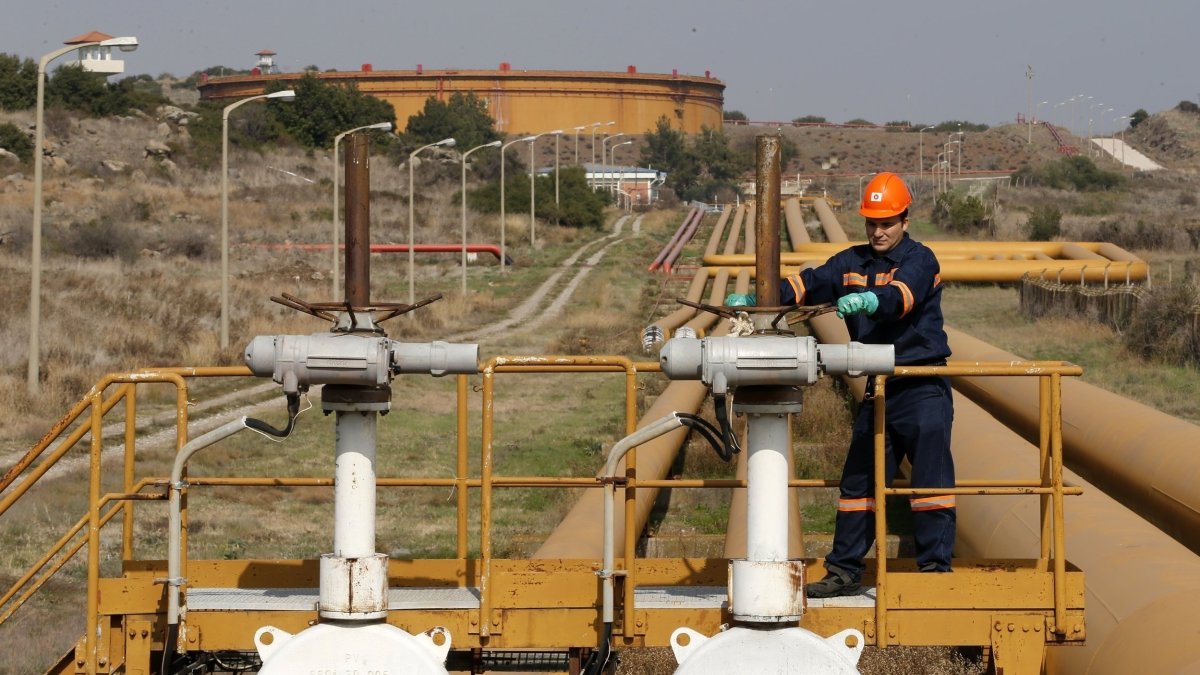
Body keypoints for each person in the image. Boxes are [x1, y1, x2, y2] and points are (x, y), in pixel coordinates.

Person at [727, 171, 955, 598]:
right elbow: (807, 284)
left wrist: (872, 300)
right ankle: (845, 571)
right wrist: (761, 297)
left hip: (921, 384)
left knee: (929, 485)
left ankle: (934, 574)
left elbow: (901, 298)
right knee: (858, 485)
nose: (878, 231)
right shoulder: (851, 262)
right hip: (879, 388)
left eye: (886, 222)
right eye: (872, 222)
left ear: (905, 220)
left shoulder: (921, 260)